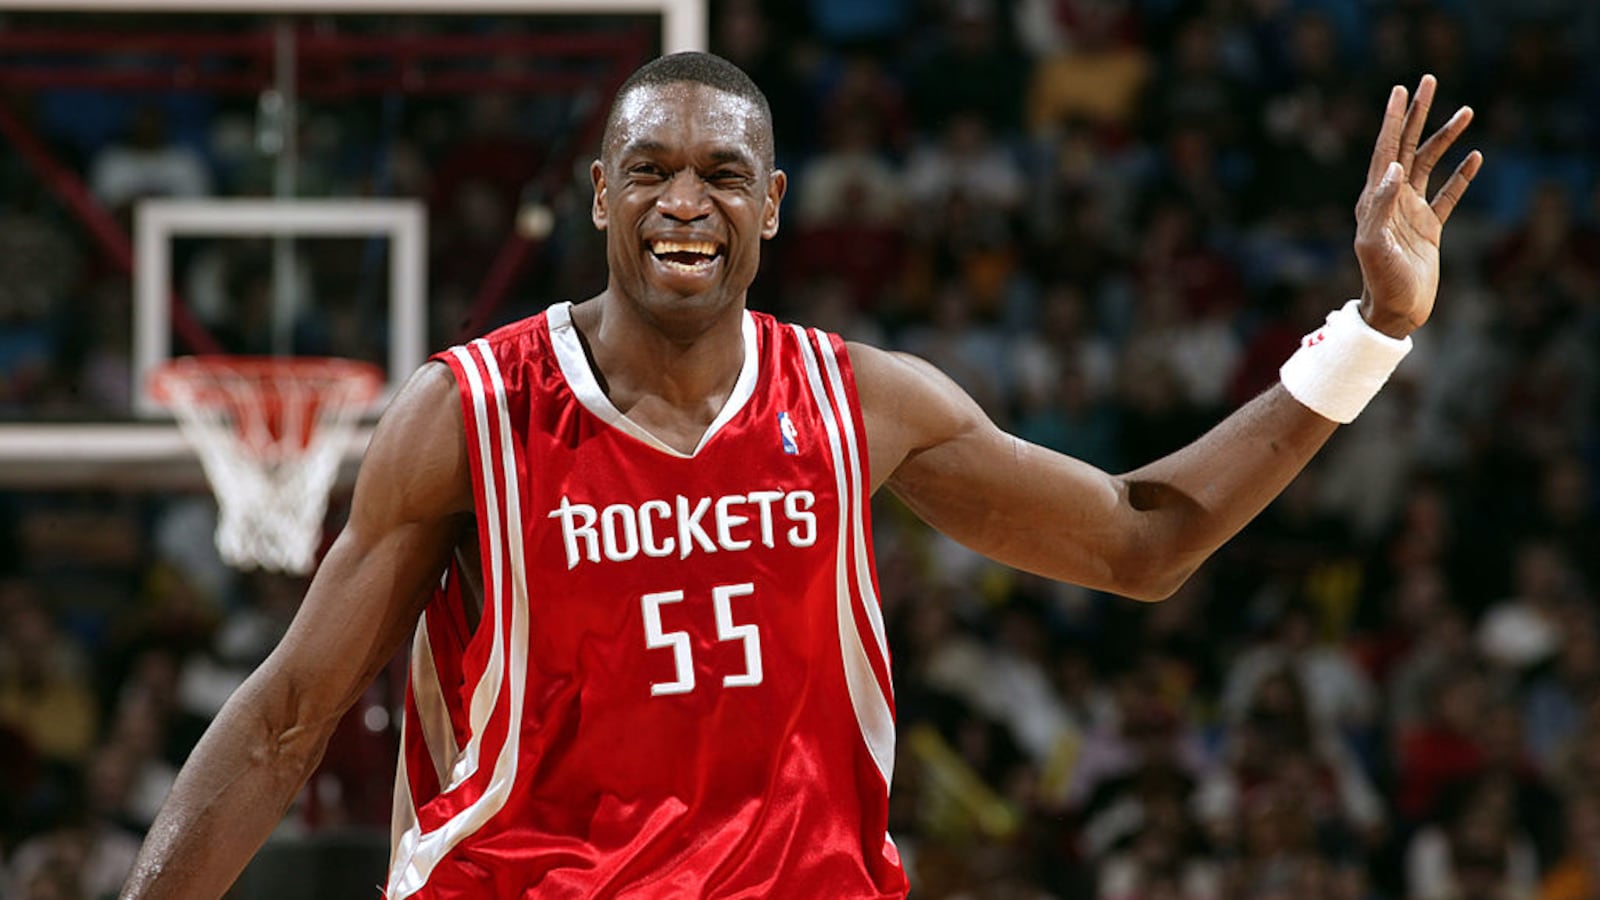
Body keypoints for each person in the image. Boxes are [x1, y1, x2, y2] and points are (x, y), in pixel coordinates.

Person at [120, 52, 1481, 898]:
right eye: (649, 170)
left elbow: (1139, 542)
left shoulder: (865, 405)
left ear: (773, 205)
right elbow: (290, 718)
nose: (684, 201)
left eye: (723, 173)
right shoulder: (468, 412)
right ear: (600, 193)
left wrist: (1372, 334)